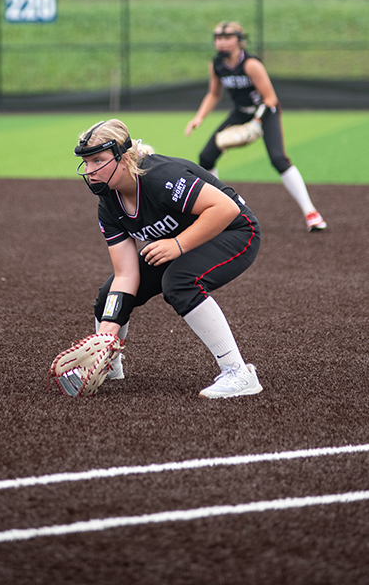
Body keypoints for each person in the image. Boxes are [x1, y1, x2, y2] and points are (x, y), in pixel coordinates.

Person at [73, 118, 263, 399]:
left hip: (234, 229)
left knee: (179, 281)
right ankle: (109, 363)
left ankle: (238, 372)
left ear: (123, 157)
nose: (90, 171)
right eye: (86, 163)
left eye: (98, 160)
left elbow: (226, 208)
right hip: (184, 240)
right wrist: (106, 338)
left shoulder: (159, 177)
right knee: (107, 298)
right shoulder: (108, 203)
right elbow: (126, 276)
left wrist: (178, 244)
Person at [185, 20, 327, 232]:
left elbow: (270, 98)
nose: (222, 43)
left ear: (240, 41)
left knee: (279, 159)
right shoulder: (216, 65)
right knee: (206, 157)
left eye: (227, 38)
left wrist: (257, 123)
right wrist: (199, 117)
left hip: (266, 113)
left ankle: (311, 212)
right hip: (241, 112)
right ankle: (221, 209)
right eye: (218, 38)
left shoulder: (251, 64)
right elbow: (214, 94)